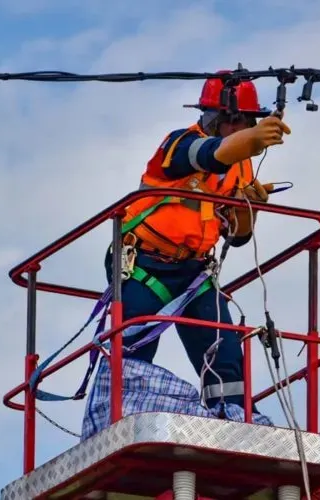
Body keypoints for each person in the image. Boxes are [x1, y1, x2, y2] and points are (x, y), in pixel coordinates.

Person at [81, 71, 291, 439]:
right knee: (130, 353)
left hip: (195, 274)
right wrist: (249, 141)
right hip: (145, 264)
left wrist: (248, 209)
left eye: (245, 121)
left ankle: (236, 426)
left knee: (224, 356)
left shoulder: (240, 167)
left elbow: (238, 237)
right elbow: (207, 156)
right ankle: (114, 428)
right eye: (232, 120)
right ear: (212, 117)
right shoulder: (176, 145)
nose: (237, 126)